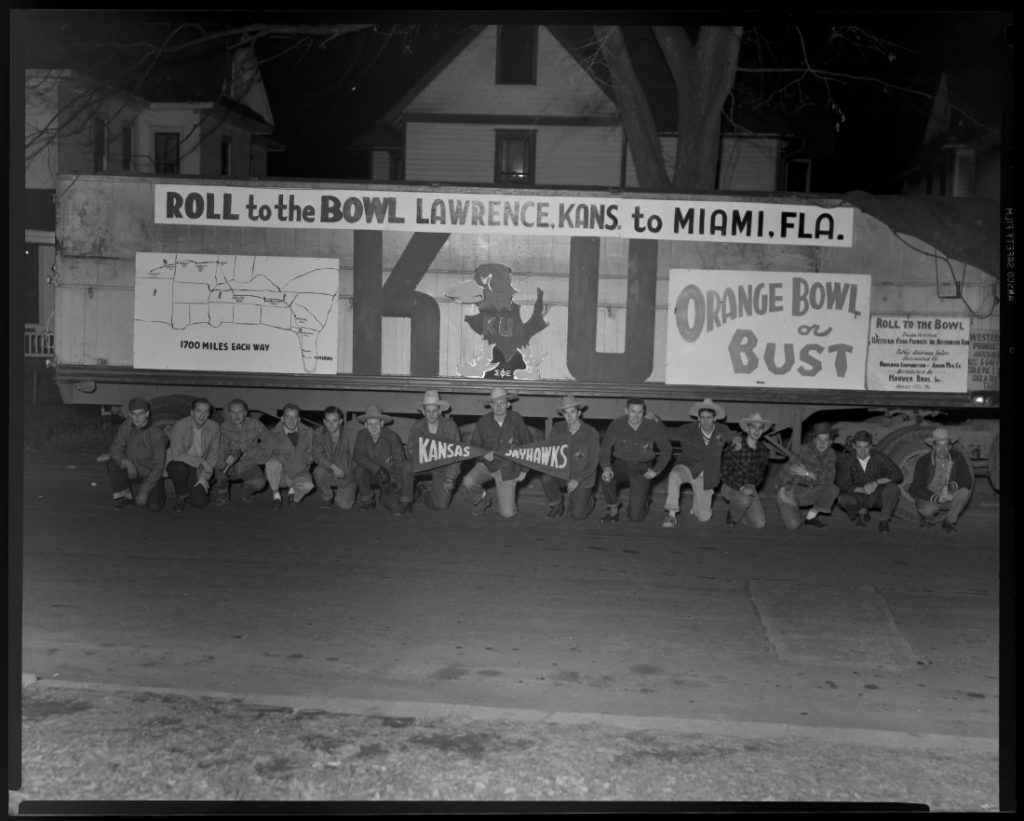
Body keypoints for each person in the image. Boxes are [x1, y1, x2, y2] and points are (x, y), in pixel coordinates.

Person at [598, 397, 672, 523]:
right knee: (606, 478)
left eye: (640, 412)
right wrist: (606, 467)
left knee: (635, 517)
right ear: (626, 411)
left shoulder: (652, 425)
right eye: (633, 411)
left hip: (642, 469)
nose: (636, 416)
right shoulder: (616, 424)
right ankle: (613, 510)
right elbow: (605, 449)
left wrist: (656, 470)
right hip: (621, 464)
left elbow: (667, 449)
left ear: (644, 412)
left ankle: (643, 502)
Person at [463, 386, 532, 518]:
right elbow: (474, 446)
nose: (498, 407)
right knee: (468, 482)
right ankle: (483, 498)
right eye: (495, 403)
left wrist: (524, 470)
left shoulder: (516, 419)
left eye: (502, 403)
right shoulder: (483, 422)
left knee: (507, 513)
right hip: (488, 465)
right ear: (491, 405)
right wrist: (483, 454)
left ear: (508, 404)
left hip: (509, 468)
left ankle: (505, 502)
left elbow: (527, 444)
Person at [662, 398, 730, 527]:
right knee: (674, 475)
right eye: (702, 417)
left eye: (709, 417)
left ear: (715, 418)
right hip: (687, 468)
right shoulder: (688, 429)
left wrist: (737, 440)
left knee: (704, 517)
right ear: (698, 418)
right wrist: (655, 421)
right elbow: (669, 432)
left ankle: (697, 505)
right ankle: (671, 515)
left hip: (706, 477)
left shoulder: (722, 431)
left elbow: (734, 435)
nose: (705, 421)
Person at [542, 395, 600, 521]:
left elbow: (593, 462)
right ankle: (556, 505)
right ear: (563, 414)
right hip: (563, 473)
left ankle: (588, 500)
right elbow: (550, 451)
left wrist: (577, 480)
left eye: (573, 412)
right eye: (566, 413)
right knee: (546, 478)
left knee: (577, 515)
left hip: (583, 478)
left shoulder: (591, 433)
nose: (570, 416)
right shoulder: (558, 428)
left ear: (579, 412)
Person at [106, 397, 168, 511]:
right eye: (134, 414)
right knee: (112, 463)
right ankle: (126, 496)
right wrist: (126, 462)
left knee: (154, 507)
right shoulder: (126, 425)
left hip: (150, 473)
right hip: (132, 470)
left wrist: (145, 490)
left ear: (147, 414)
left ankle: (155, 488)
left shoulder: (156, 435)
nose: (137, 418)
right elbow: (115, 448)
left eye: (141, 413)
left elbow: (159, 466)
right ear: (129, 414)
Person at [776, 421, 840, 530]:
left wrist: (807, 473)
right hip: (792, 491)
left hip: (810, 491)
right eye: (819, 440)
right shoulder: (803, 450)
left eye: (825, 440)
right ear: (814, 440)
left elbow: (830, 478)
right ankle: (787, 505)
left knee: (833, 489)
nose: (822, 444)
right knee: (793, 525)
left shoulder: (831, 454)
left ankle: (811, 517)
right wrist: (783, 493)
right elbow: (786, 471)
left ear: (830, 442)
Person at [836, 430, 903, 532]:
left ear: (871, 446)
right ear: (854, 446)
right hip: (858, 494)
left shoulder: (879, 457)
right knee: (843, 498)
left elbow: (898, 474)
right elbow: (843, 483)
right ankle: (862, 512)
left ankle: (884, 520)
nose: (863, 451)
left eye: (866, 447)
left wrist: (876, 482)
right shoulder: (846, 460)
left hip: (877, 494)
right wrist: (861, 490)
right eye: (859, 447)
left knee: (893, 489)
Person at [406, 390, 463, 512]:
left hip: (442, 467)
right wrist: (413, 454)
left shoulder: (450, 426)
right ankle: (406, 500)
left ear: (440, 411)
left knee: (441, 506)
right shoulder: (417, 426)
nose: (431, 415)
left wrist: (450, 478)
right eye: (428, 411)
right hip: (423, 464)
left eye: (434, 411)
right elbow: (409, 451)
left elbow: (457, 454)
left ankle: (423, 493)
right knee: (405, 467)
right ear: (423, 411)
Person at [908, 428, 973, 533]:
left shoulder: (958, 457)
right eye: (939, 445)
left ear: (950, 446)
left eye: (945, 445)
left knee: (964, 492)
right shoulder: (924, 461)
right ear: (933, 446)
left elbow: (967, 479)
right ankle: (926, 518)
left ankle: (949, 521)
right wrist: (937, 498)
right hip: (928, 496)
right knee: (928, 510)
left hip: (948, 494)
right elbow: (917, 487)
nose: (942, 450)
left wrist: (948, 487)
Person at [353, 405, 415, 515]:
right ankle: (368, 499)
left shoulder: (392, 437)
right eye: (370, 424)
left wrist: (397, 485)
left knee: (398, 509)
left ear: (382, 423)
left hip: (390, 479)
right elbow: (358, 456)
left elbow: (401, 462)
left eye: (376, 423)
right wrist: (377, 469)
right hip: (372, 475)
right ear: (365, 425)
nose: (373, 427)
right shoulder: (361, 435)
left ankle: (391, 495)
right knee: (359, 470)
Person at [165, 397, 220, 513]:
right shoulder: (180, 426)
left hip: (197, 468)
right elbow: (177, 455)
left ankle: (187, 490)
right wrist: (202, 462)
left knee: (201, 503)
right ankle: (180, 495)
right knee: (179, 467)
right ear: (192, 412)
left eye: (206, 412)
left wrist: (204, 477)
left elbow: (213, 454)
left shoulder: (214, 427)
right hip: (177, 463)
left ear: (209, 414)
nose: (202, 415)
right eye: (199, 411)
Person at [720, 411, 773, 528]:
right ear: (748, 428)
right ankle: (732, 514)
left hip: (749, 487)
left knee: (760, 523)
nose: (756, 431)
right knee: (745, 500)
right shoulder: (736, 446)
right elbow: (724, 473)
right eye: (753, 427)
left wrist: (750, 486)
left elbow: (760, 477)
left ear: (763, 430)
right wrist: (741, 487)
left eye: (760, 428)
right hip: (730, 485)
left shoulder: (764, 451)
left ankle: (740, 507)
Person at [212, 398, 268, 505]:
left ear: (246, 413)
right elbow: (221, 444)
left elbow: (269, 440)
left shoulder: (255, 424)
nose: (236, 415)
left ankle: (247, 491)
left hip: (249, 465)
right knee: (218, 463)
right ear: (229, 413)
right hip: (230, 466)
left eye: (240, 412)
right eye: (233, 412)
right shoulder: (224, 426)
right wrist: (225, 457)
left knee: (259, 483)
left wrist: (256, 452)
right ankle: (223, 495)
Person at [258, 403, 315, 509]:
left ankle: (292, 489)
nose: (291, 421)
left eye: (294, 417)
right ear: (282, 419)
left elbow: (312, 452)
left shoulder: (308, 433)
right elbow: (262, 455)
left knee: (308, 486)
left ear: (299, 419)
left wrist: (307, 461)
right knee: (271, 463)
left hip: (299, 471)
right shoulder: (272, 435)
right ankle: (276, 496)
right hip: (280, 475)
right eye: (288, 417)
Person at [312, 405, 359, 510]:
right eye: (328, 421)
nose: (331, 424)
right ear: (324, 422)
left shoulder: (351, 435)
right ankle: (328, 497)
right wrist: (333, 467)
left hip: (347, 475)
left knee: (344, 505)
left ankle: (341, 493)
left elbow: (356, 460)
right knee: (318, 471)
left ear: (341, 421)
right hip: (330, 471)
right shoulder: (318, 434)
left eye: (334, 420)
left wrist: (345, 474)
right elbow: (317, 456)